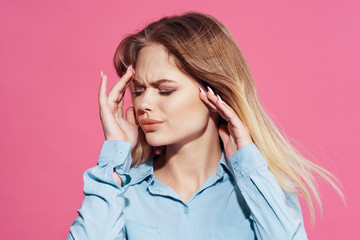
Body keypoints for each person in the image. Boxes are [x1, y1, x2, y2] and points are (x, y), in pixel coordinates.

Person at [66, 12, 342, 240]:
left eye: (165, 91)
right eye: (138, 90)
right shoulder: (120, 193)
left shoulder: (263, 191)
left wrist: (248, 166)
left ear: (213, 92)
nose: (143, 105)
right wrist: (115, 155)